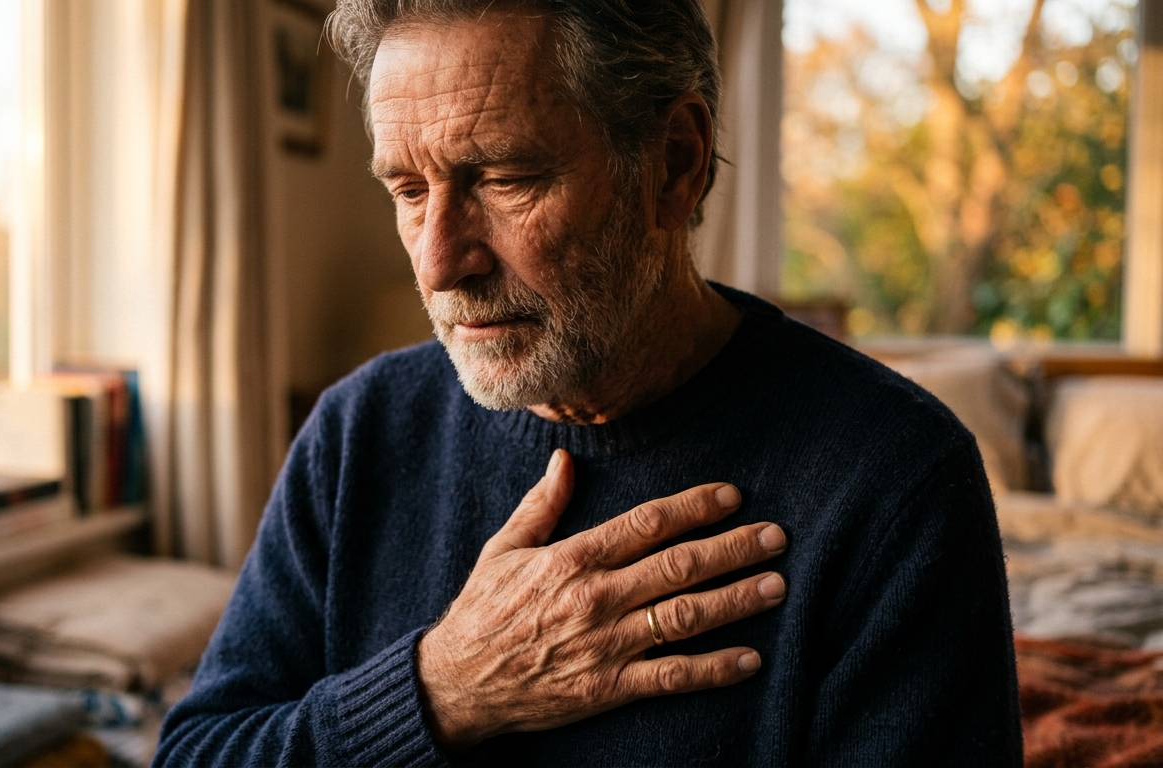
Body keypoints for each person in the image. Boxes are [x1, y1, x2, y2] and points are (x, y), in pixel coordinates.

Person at [153, 1, 1022, 765]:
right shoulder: (358, 430)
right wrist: (443, 691)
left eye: (503, 177)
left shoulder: (895, 478)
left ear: (675, 163)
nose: (439, 262)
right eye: (408, 189)